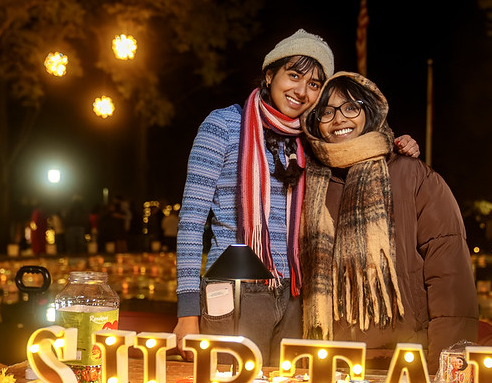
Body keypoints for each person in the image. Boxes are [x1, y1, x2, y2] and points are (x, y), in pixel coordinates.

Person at [174, 29, 419, 364]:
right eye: (294, 75)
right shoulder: (223, 125)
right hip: (235, 289)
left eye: (315, 84)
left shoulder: (309, 141)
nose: (302, 91)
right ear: (270, 73)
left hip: (295, 295)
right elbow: (190, 222)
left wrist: (395, 145)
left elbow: (358, 147)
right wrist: (187, 311)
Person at [300, 72, 479, 374]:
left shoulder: (412, 175)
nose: (338, 119)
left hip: (407, 360)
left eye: (350, 107)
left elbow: (450, 277)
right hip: (332, 364)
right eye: (326, 112)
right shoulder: (310, 182)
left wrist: (447, 369)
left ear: (369, 112)